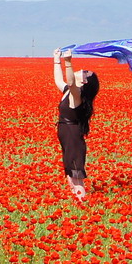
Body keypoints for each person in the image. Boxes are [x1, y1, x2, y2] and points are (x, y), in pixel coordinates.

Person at [52, 49, 100, 200]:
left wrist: (68, 62)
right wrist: (56, 60)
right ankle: (75, 198)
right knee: (69, 169)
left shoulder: (77, 94)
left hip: (72, 136)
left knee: (75, 171)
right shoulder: (68, 91)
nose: (81, 70)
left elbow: (71, 82)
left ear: (84, 81)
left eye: (84, 72)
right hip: (66, 134)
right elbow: (59, 81)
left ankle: (81, 200)